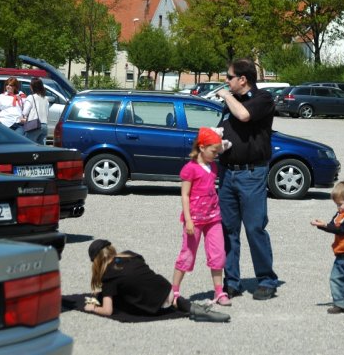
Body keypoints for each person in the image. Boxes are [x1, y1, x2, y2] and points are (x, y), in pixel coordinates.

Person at [216, 58, 279, 301]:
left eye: (229, 77)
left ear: (243, 79)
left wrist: (225, 95)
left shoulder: (262, 99)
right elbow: (226, 128)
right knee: (228, 229)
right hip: (227, 172)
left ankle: (266, 280)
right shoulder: (231, 103)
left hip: (251, 174)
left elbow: (244, 115)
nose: (226, 81)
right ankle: (232, 281)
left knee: (254, 228)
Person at [85, 239, 230, 323]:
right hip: (168, 290)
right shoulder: (130, 255)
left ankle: (191, 308)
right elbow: (141, 277)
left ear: (96, 262)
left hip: (155, 307)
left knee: (113, 300)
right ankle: (190, 307)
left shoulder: (109, 277)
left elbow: (108, 310)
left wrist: (93, 308)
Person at [172, 127, 231, 306]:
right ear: (202, 147)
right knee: (187, 255)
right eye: (213, 151)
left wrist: (219, 141)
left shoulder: (213, 166)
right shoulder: (190, 169)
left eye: (217, 151)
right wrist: (188, 220)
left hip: (213, 218)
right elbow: (185, 195)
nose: (216, 155)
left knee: (218, 254)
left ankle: (219, 292)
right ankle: (174, 292)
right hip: (195, 220)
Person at [310, 181, 344, 317]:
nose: (338, 208)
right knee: (335, 278)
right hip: (340, 253)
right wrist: (322, 225)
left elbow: (342, 229)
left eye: (340, 204)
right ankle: (340, 303)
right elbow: (333, 226)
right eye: (336, 205)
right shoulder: (340, 213)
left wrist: (325, 226)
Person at [22, 77, 50, 144]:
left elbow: (25, 112)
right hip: (44, 126)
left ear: (32, 87)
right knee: (40, 147)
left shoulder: (31, 97)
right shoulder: (45, 98)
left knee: (28, 145)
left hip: (34, 125)